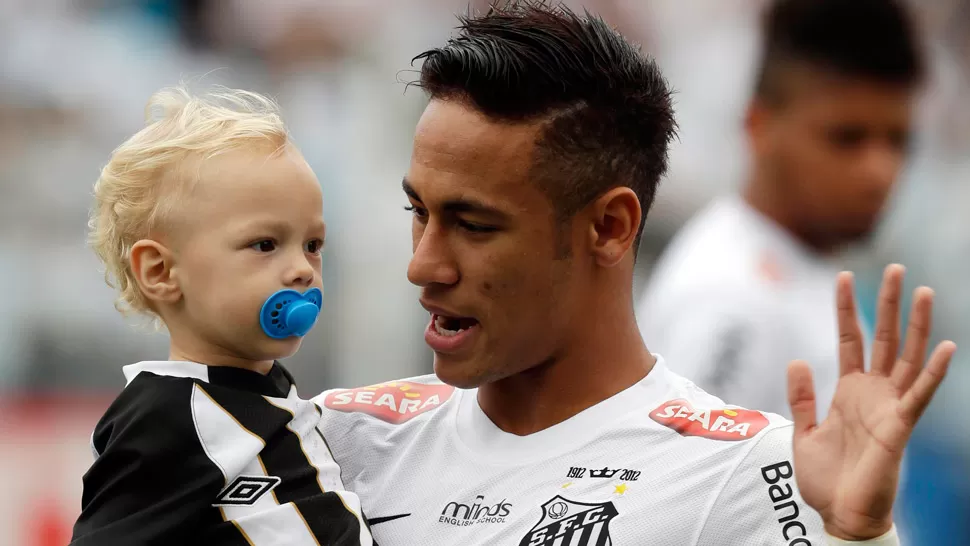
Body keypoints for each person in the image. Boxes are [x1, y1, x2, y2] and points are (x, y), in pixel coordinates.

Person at [313, 2, 954, 545]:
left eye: (475, 225)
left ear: (611, 227)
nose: (422, 264)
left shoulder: (747, 476)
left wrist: (859, 536)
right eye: (418, 212)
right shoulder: (333, 438)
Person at [70, 86, 374, 545]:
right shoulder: (168, 415)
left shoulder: (271, 391)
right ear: (161, 271)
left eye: (312, 245)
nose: (300, 269)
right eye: (265, 245)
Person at [636, 0, 925, 420]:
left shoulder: (800, 268)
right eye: (847, 138)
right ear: (759, 126)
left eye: (897, 141)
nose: (879, 172)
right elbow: (677, 477)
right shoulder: (732, 296)